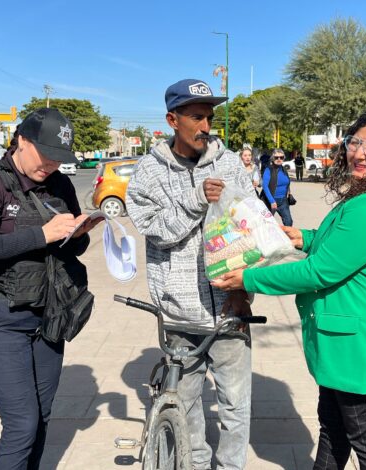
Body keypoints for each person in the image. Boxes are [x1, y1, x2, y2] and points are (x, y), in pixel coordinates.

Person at [213, 107, 366, 470]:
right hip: (343, 345)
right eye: (355, 142)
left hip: (358, 347)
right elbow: (345, 247)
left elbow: (320, 272)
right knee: (333, 432)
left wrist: (247, 279)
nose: (359, 154)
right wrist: (304, 237)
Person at [0, 108, 104, 470]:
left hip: (50, 317)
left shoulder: (60, 184)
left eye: (60, 159)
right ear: (22, 140)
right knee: (21, 424)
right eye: (47, 155)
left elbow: (70, 247)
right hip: (1, 318)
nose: (52, 165)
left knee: (41, 418)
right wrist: (42, 234)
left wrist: (78, 234)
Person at [126, 78, 256, 470]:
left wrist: (242, 291)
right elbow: (156, 232)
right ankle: (194, 464)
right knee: (187, 406)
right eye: (196, 117)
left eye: (209, 117)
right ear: (172, 119)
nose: (205, 126)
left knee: (236, 407)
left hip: (229, 308)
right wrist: (197, 199)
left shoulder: (231, 163)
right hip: (179, 313)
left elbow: (248, 231)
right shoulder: (148, 172)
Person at [261, 148, 293, 226]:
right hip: (270, 201)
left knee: (289, 222)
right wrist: (272, 201)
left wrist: (289, 192)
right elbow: (265, 186)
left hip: (283, 201)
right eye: (276, 157)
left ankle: (286, 237)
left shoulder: (284, 169)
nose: (279, 159)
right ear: (272, 158)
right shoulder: (268, 170)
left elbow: (287, 182)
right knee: (266, 223)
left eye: (281, 157)